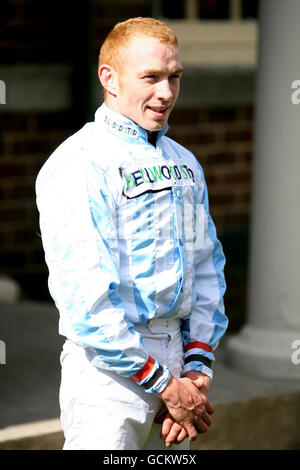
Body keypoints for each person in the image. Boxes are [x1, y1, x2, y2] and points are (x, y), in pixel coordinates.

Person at [35, 17, 228, 450]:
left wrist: (197, 367)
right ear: (110, 78)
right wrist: (164, 385)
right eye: (151, 78)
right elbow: (84, 296)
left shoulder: (185, 163)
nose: (166, 93)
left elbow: (206, 265)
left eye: (174, 77)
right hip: (108, 375)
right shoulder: (80, 163)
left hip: (180, 362)